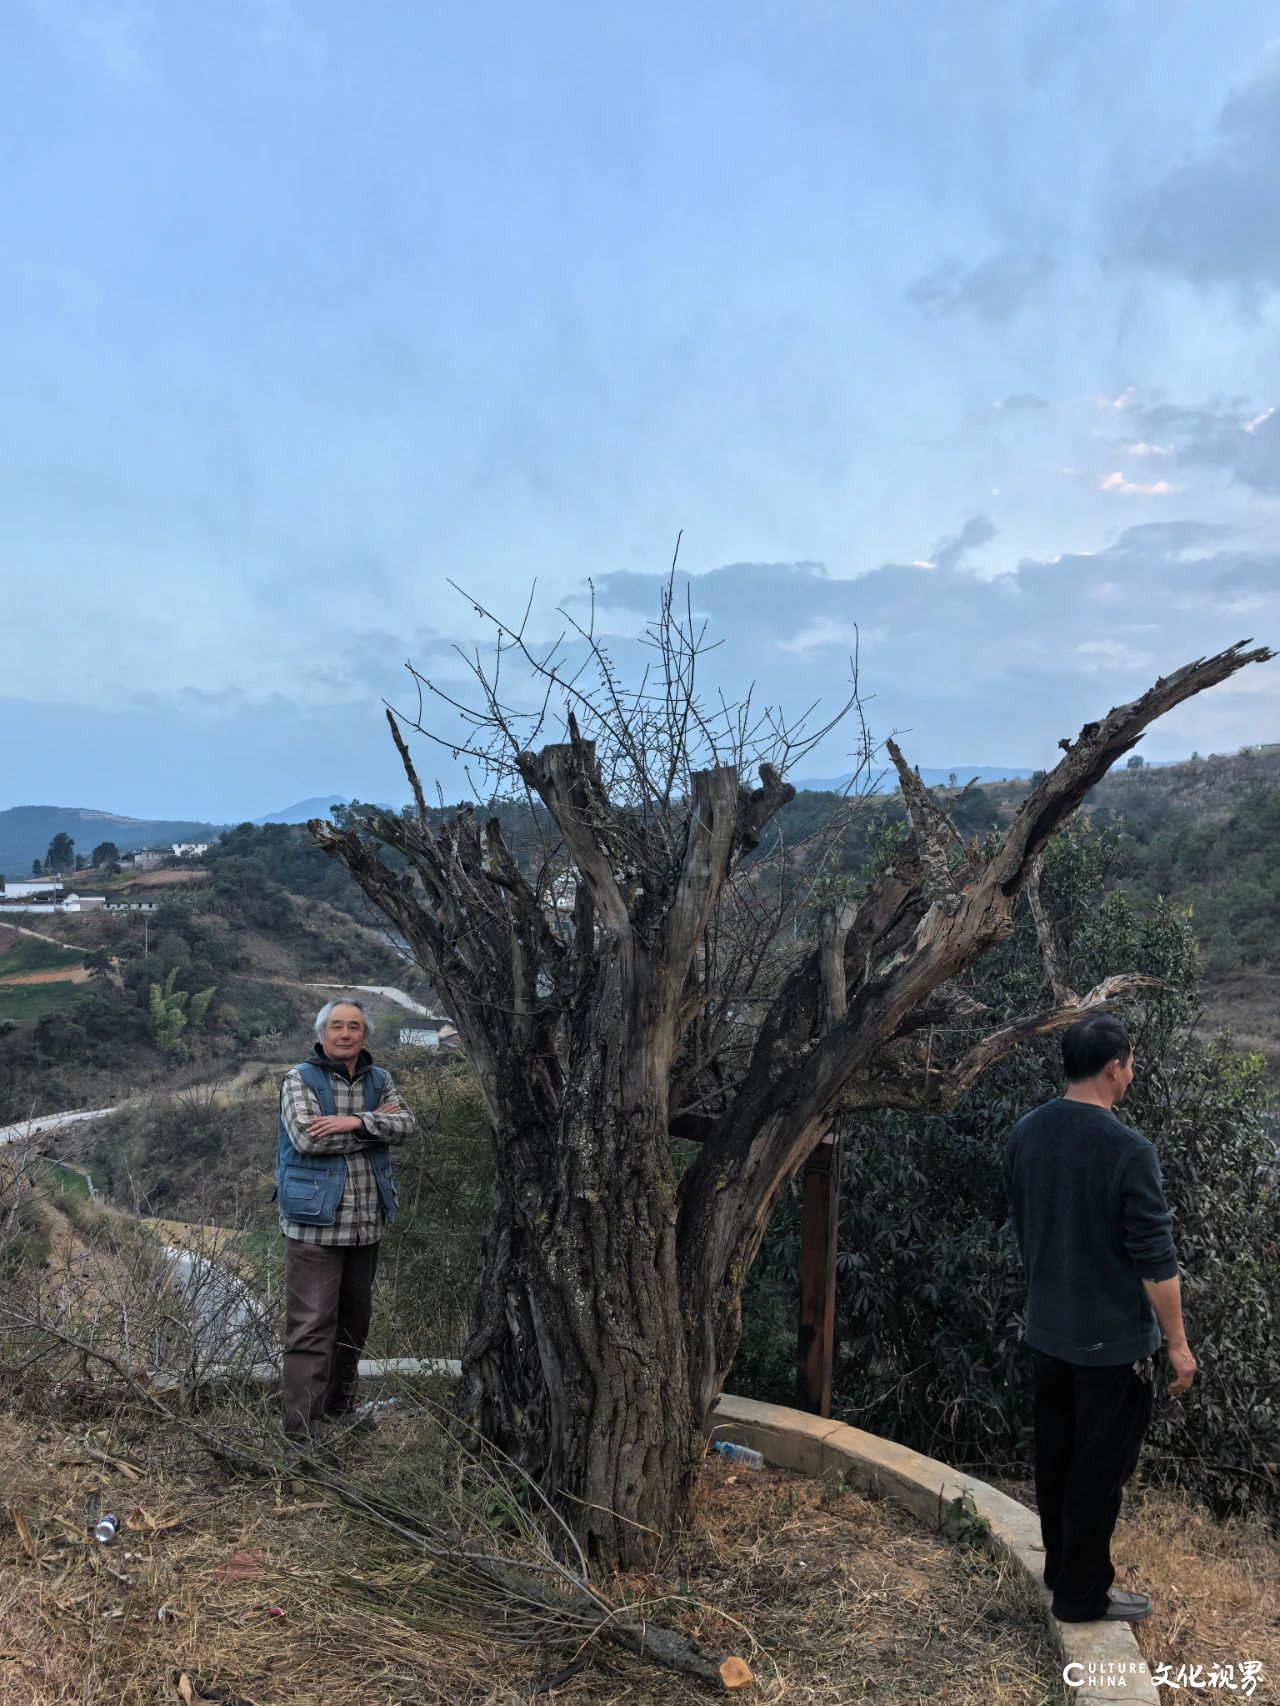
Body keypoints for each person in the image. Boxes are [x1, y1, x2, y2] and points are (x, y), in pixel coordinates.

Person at [1003, 1012, 1195, 1625]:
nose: (1132, 1073)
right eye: (1131, 1063)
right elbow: (1156, 1261)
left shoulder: (1026, 1133)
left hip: (1047, 1330)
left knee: (1056, 1456)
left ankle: (1063, 1571)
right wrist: (1178, 1345)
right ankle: (1082, 1598)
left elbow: (1026, 1220)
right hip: (1109, 1345)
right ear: (1115, 1067)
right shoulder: (1128, 1150)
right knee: (1098, 1471)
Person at [276, 997, 416, 1440]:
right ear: (321, 1034)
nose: (345, 1033)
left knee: (354, 1324)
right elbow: (307, 1140)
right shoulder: (299, 1078)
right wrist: (374, 1130)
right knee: (311, 1327)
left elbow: (409, 1126)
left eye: (354, 1026)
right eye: (336, 1025)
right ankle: (301, 1430)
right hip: (315, 1224)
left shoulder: (381, 1078)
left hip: (366, 1223)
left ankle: (339, 1412)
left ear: (364, 1035)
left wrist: (351, 1122)